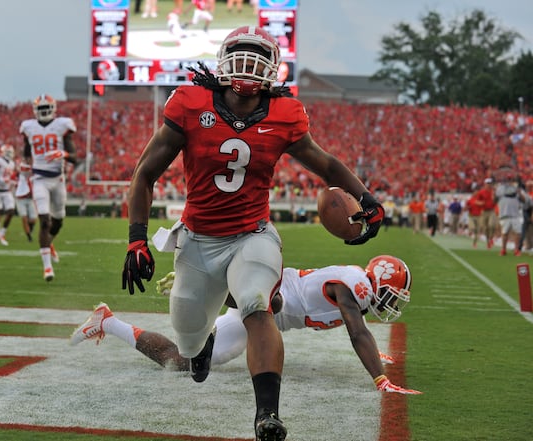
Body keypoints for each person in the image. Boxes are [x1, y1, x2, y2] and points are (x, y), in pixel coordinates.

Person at [121, 26, 384, 441]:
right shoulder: (190, 103)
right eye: (241, 54)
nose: (249, 64)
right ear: (223, 60)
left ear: (274, 70)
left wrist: (366, 198)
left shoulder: (284, 113)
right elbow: (145, 173)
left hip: (251, 234)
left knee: (257, 305)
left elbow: (326, 164)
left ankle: (267, 416)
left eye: (258, 56)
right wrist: (137, 238)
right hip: (198, 239)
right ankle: (201, 341)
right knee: (187, 344)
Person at [75, 255, 421, 397]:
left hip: (267, 317)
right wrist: (381, 380)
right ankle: (201, 286)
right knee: (276, 304)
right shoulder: (355, 285)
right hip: (268, 300)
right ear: (378, 282)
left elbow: (356, 326)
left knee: (181, 361)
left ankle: (108, 320)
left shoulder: (357, 288)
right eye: (392, 294)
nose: (392, 303)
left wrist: (375, 353)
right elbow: (356, 331)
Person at [21, 94, 77, 281]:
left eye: (47, 107)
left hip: (58, 179)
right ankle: (47, 268)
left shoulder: (62, 125)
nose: (44, 111)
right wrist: (24, 165)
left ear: (53, 108)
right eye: (41, 108)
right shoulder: (29, 128)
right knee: (44, 220)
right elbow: (27, 153)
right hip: (39, 179)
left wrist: (63, 153)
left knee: (58, 221)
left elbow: (75, 158)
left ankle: (49, 243)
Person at [495, 174, 526, 256]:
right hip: (504, 213)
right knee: (505, 232)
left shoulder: (518, 189)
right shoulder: (500, 188)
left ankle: (516, 249)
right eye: (508, 179)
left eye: (511, 179)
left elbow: (524, 200)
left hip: (515, 214)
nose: (509, 181)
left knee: (518, 232)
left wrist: (519, 192)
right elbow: (495, 198)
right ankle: (503, 249)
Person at [14, 160, 37, 242]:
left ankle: (29, 231)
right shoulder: (22, 176)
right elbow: (20, 168)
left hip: (30, 199)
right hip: (21, 199)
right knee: (24, 218)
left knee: (33, 220)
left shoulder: (34, 176)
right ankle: (29, 237)